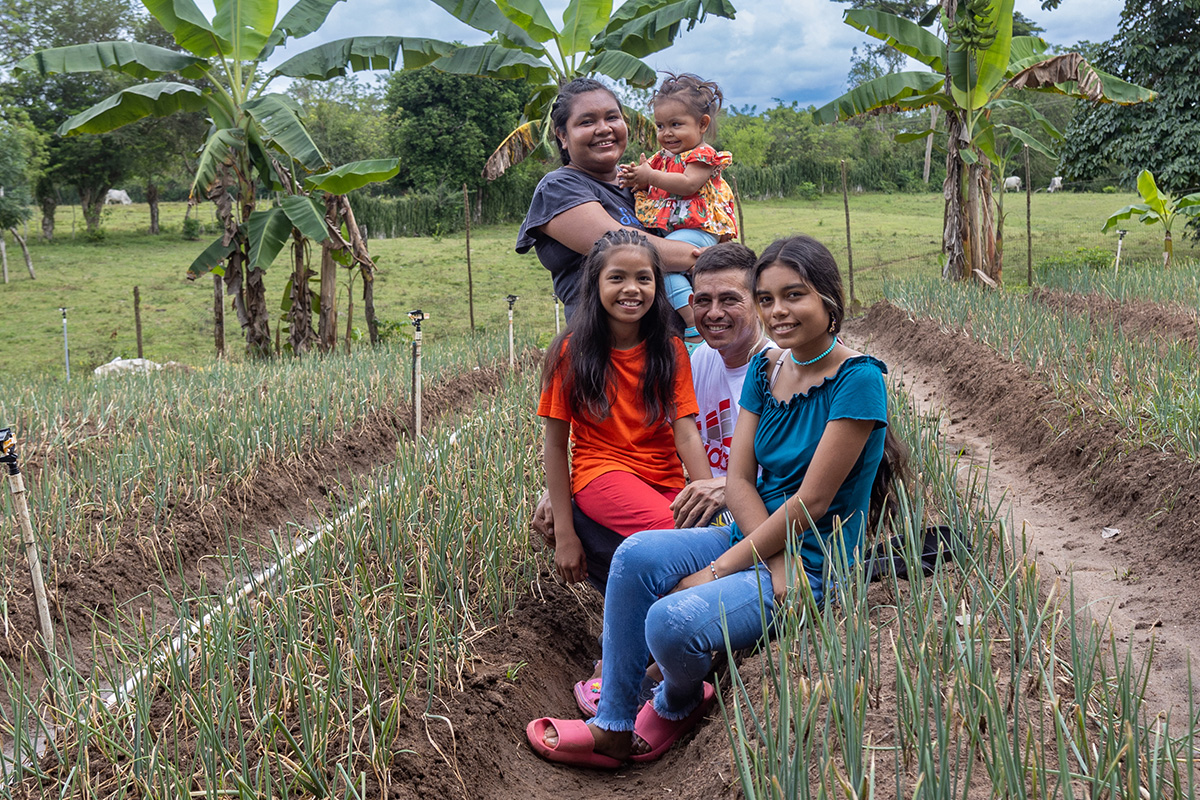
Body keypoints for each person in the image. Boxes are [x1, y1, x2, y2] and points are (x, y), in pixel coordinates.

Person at [527, 235, 905, 768]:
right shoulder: (765, 369)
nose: (778, 311)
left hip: (814, 561)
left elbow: (812, 503)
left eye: (793, 295)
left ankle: (677, 701)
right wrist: (758, 560)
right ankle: (613, 723)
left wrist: (727, 568)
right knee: (635, 556)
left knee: (670, 622)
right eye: (768, 298)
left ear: (829, 299)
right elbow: (740, 484)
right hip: (761, 543)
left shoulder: (859, 380)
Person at [539, 229, 713, 591]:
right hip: (603, 474)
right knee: (683, 546)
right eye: (617, 277)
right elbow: (555, 444)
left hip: (664, 480)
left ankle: (638, 635)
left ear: (657, 286)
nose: (631, 289)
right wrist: (567, 535)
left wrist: (707, 492)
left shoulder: (670, 350)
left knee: (699, 543)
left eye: (644, 278)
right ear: (596, 284)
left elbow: (686, 431)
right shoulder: (571, 352)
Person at [516, 77, 701, 322]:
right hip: (607, 349)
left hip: (675, 346)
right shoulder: (558, 188)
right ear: (562, 136)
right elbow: (623, 247)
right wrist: (706, 258)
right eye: (587, 121)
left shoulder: (641, 182)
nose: (604, 128)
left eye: (612, 118)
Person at [618, 73, 737, 352]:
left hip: (701, 229)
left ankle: (693, 326)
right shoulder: (662, 158)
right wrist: (637, 178)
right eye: (660, 125)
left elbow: (687, 185)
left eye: (676, 124)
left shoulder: (702, 155)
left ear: (702, 124)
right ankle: (694, 319)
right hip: (681, 232)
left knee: (660, 264)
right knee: (669, 273)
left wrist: (651, 175)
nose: (666, 133)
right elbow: (651, 182)